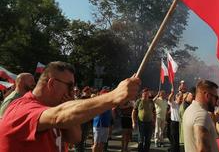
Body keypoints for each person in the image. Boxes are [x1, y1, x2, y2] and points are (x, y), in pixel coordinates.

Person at [0, 61, 140, 152]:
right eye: (70, 86)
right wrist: (114, 96)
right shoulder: (21, 108)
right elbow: (59, 116)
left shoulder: (56, 108)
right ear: (52, 84)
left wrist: (67, 104)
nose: (72, 91)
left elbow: (75, 137)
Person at [183, 79, 219, 152]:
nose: (216, 101)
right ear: (207, 95)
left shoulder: (189, 109)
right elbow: (202, 149)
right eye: (216, 97)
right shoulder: (202, 115)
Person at [132, 88, 155, 152]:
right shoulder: (138, 101)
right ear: (142, 94)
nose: (146, 95)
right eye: (145, 93)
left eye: (147, 93)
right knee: (141, 140)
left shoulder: (151, 102)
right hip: (141, 123)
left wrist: (154, 121)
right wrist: (133, 122)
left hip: (149, 123)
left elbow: (154, 111)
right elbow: (134, 112)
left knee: (148, 140)